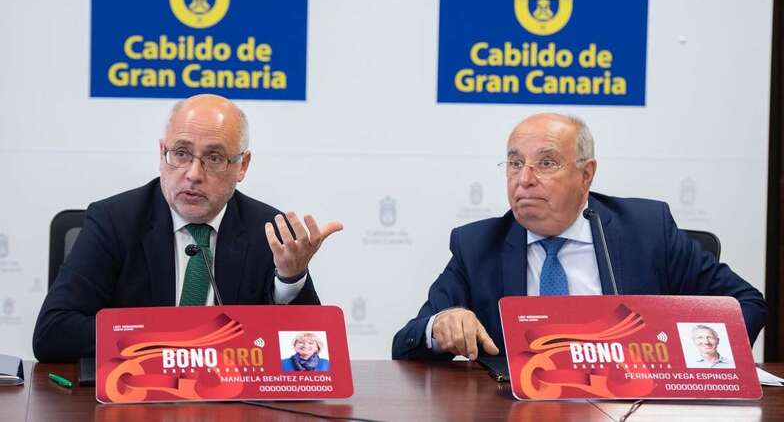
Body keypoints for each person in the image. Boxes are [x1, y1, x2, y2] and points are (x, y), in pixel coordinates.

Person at [392, 113, 767, 361]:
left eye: (547, 163)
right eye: (515, 163)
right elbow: (405, 343)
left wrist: (684, 360)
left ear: (586, 174)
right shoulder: (477, 246)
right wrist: (440, 325)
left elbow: (745, 303)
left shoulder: (647, 229)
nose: (524, 179)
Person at [33, 94, 342, 362]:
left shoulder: (269, 232)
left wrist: (290, 278)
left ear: (242, 166)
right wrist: (174, 338)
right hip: (136, 397)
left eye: (214, 157)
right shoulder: (114, 221)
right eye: (181, 153)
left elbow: (312, 351)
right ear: (161, 153)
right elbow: (53, 333)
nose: (193, 174)